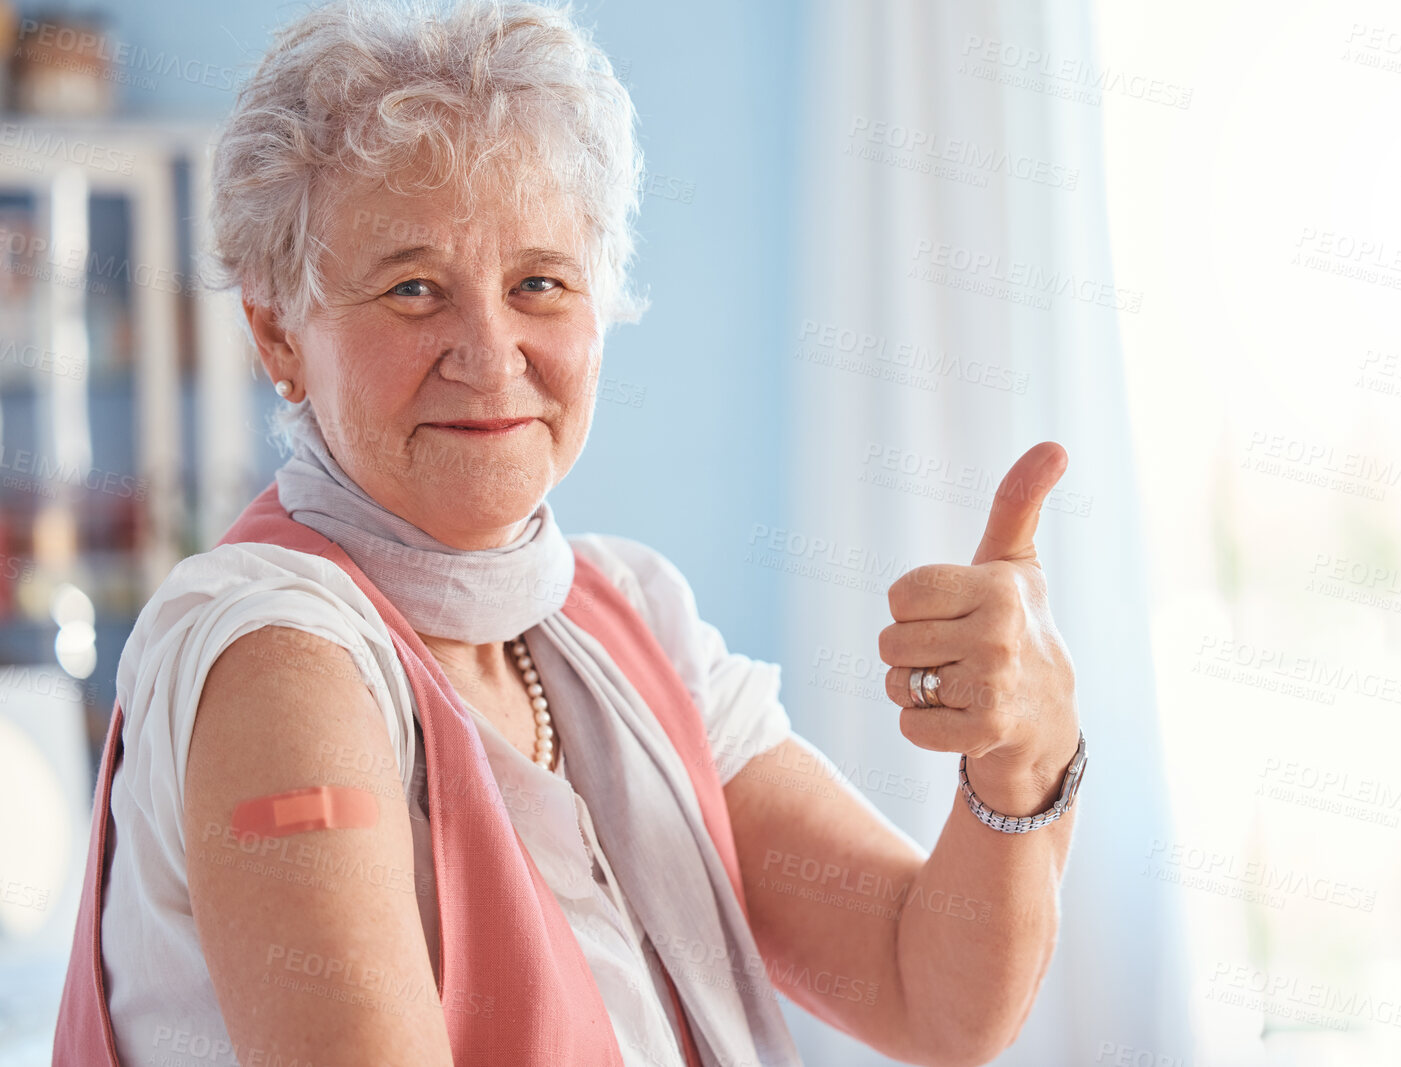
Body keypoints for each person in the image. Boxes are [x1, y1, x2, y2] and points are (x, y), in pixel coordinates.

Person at [51, 1, 1088, 1064]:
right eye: (414, 289)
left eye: (538, 281)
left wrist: (1025, 753)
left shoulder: (631, 618)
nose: (490, 353)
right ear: (278, 330)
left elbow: (932, 995)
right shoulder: (278, 652)